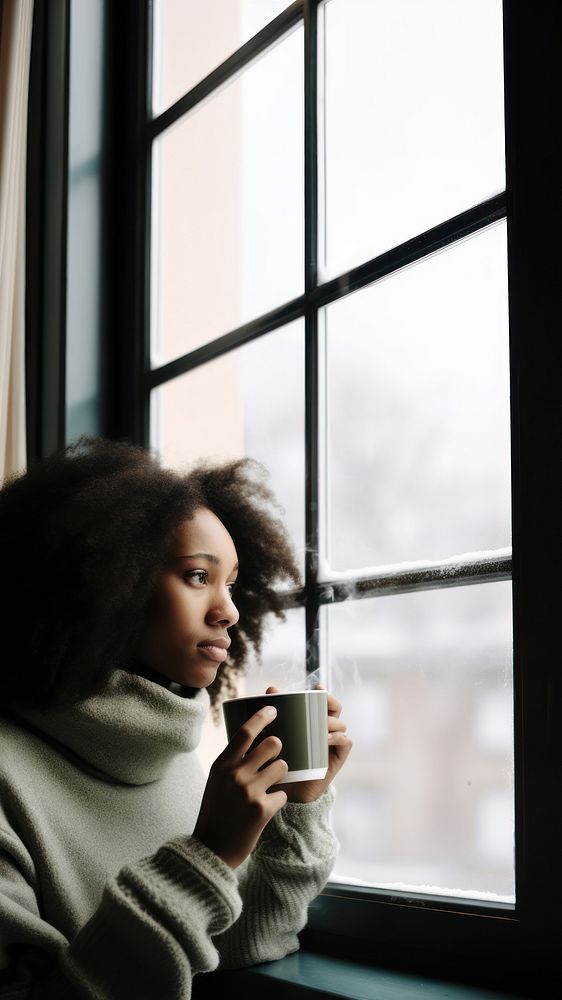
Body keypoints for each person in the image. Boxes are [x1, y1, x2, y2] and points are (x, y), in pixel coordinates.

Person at [0, 437, 351, 999]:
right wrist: (209, 852)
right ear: (102, 583)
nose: (230, 611)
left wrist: (295, 813)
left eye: (232, 583)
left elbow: (242, 946)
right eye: (197, 576)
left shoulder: (182, 763)